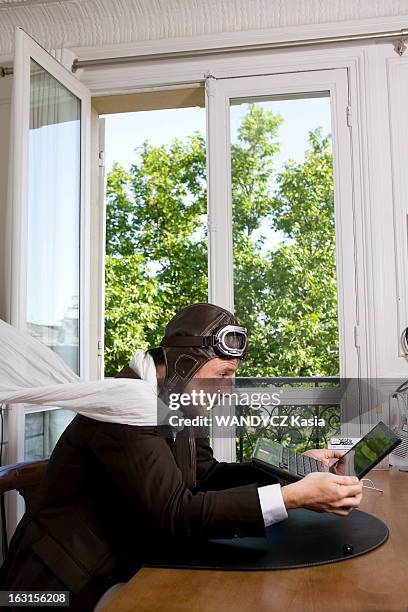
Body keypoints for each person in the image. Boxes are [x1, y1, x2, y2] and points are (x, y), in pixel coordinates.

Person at [0, 303, 363, 611]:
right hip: (62, 584)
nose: (226, 389)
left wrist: (293, 469)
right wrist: (292, 497)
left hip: (121, 562)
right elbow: (174, 511)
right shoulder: (128, 409)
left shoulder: (174, 400)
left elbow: (206, 474)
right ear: (185, 364)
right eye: (222, 375)